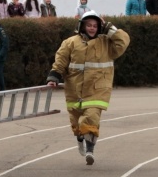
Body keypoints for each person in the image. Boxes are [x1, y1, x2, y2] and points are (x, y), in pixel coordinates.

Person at [47, 11, 130, 165]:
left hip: (98, 89)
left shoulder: (107, 43)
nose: (92, 28)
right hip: (74, 89)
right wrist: (54, 76)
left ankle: (90, 150)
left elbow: (123, 41)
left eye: (95, 25)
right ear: (82, 26)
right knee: (77, 121)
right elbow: (61, 60)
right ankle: (80, 137)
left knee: (91, 117)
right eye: (89, 25)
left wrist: (110, 29)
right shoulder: (70, 42)